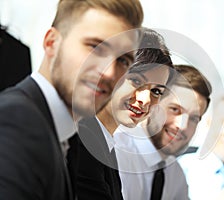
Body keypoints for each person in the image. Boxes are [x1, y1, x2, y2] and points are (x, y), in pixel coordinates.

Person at [0, 0, 144, 199]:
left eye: (122, 60)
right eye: (95, 47)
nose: (110, 72)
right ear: (52, 43)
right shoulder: (17, 122)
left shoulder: (67, 137)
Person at [68, 28, 175, 200]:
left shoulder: (105, 145)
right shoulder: (84, 141)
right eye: (136, 81)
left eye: (156, 91)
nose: (146, 99)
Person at [114, 64, 212, 200]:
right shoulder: (116, 154)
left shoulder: (175, 175)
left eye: (194, 118)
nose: (182, 126)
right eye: (175, 109)